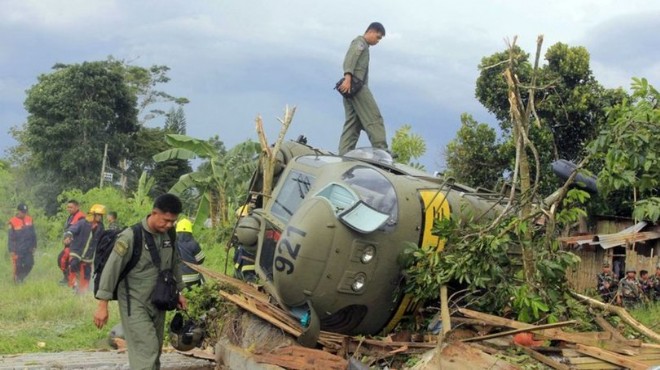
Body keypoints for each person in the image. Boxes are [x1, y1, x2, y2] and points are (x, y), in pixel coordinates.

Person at [94, 193, 187, 370]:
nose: (169, 225)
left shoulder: (170, 235)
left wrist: (180, 292)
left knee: (155, 350)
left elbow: (174, 262)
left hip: (159, 300)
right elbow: (111, 269)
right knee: (147, 349)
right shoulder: (131, 237)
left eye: (172, 222)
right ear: (154, 213)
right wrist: (102, 305)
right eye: (166, 220)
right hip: (134, 303)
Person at [337, 22, 388, 155]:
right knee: (374, 118)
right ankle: (382, 151)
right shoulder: (360, 43)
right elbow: (350, 59)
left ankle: (344, 154)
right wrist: (347, 78)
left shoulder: (363, 45)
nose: (378, 41)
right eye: (378, 37)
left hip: (351, 89)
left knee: (353, 124)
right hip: (357, 87)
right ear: (371, 31)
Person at [68, 204, 106, 293]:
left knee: (86, 274)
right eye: (99, 215)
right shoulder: (83, 223)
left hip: (88, 256)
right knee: (73, 267)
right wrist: (68, 234)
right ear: (93, 214)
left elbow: (102, 240)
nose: (100, 217)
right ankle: (72, 288)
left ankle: (84, 291)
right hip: (77, 252)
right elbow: (72, 229)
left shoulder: (100, 227)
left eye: (101, 215)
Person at [58, 200, 86, 284]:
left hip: (76, 245)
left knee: (63, 259)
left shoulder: (81, 217)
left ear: (77, 207)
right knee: (63, 260)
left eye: (71, 207)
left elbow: (81, 231)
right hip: (69, 244)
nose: (69, 209)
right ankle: (68, 278)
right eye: (68, 207)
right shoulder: (71, 216)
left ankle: (71, 279)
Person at [7, 203, 37, 283]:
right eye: (22, 212)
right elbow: (11, 238)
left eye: (25, 212)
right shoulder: (12, 222)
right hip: (18, 249)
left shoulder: (29, 219)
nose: (24, 214)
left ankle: (20, 278)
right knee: (18, 266)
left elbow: (33, 234)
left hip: (28, 248)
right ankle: (17, 281)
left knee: (29, 264)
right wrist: (12, 250)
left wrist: (34, 246)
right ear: (18, 211)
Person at [174, 218, 206, 289]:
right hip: (194, 278)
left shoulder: (174, 243)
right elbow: (201, 259)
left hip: (179, 278)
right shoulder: (194, 243)